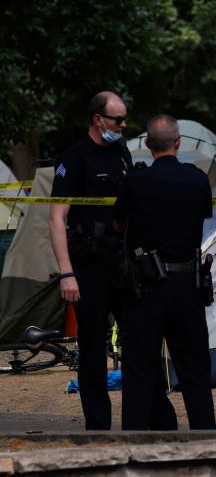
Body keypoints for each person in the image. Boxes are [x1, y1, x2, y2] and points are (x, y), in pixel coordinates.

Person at [113, 115, 216, 431]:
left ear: (146, 143)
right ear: (179, 142)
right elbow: (204, 215)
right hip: (187, 283)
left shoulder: (135, 181)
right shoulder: (197, 179)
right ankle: (206, 440)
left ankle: (136, 441)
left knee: (139, 369)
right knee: (195, 369)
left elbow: (119, 224)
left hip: (146, 286)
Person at [49, 91, 132, 430]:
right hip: (89, 264)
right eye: (117, 119)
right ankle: (98, 425)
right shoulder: (75, 157)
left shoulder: (122, 153)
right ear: (98, 119)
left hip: (124, 262)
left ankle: (141, 422)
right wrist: (67, 273)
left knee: (138, 340)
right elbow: (57, 219)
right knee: (94, 348)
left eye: (125, 118)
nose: (123, 125)